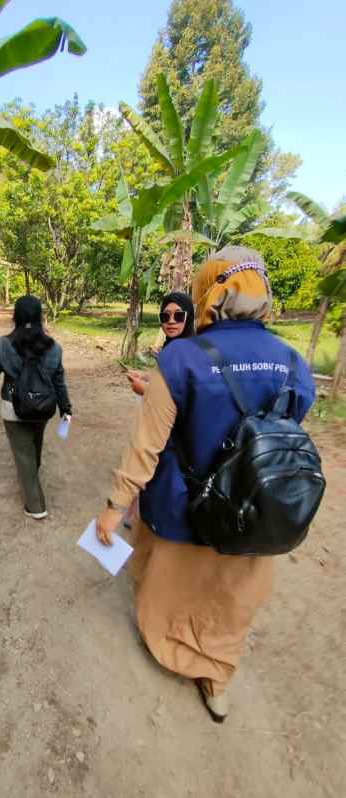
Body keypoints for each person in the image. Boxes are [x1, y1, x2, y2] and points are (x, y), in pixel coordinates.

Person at [95, 246, 316, 722]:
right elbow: (287, 428)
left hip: (181, 503)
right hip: (257, 508)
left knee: (167, 581)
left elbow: (146, 446)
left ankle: (168, 646)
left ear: (208, 291)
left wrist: (116, 504)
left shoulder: (181, 360)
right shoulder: (292, 361)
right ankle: (215, 677)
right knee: (231, 594)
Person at [0, 295, 72, 520]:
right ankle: (32, 476)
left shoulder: (2, 344)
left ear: (15, 316)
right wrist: (66, 408)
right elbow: (58, 380)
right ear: (40, 318)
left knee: (24, 455)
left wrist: (4, 361)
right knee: (35, 446)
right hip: (43, 407)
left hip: (14, 408)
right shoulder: (54, 348)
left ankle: (36, 507)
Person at [127, 291, 194, 396]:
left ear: (188, 318)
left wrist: (146, 390)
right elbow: (170, 380)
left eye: (179, 315)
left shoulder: (191, 352)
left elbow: (185, 396)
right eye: (165, 316)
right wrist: (145, 376)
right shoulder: (172, 346)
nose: (171, 321)